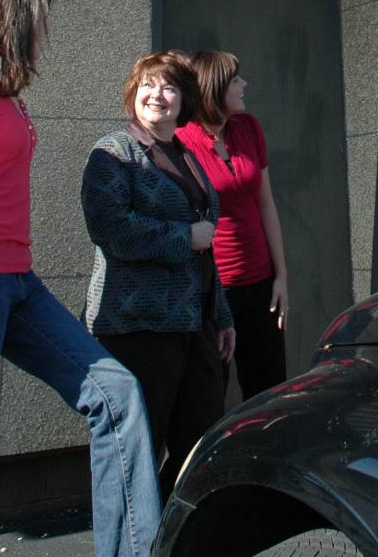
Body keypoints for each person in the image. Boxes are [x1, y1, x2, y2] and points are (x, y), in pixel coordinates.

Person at [0, 0, 161, 557]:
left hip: (15, 280)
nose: (44, 32)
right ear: (13, 18)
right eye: (40, 19)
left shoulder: (2, 93)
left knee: (115, 394)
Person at [81, 51, 235, 498]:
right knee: (136, 451)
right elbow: (110, 230)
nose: (157, 95)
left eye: (169, 87)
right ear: (133, 93)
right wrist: (183, 236)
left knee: (200, 444)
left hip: (194, 325)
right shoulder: (113, 153)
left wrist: (221, 317)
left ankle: (174, 536)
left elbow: (207, 249)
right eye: (148, 84)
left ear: (183, 99)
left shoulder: (187, 155)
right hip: (138, 328)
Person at [178, 51, 288, 401]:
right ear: (214, 88)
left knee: (268, 392)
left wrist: (281, 276)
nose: (244, 84)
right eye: (235, 79)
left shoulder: (248, 128)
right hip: (214, 289)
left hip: (261, 284)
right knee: (208, 394)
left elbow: (266, 203)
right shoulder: (183, 140)